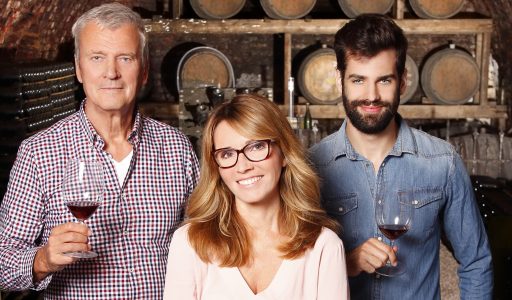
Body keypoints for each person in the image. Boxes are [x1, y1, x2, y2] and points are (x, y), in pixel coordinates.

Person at [0, 3, 199, 299]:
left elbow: (207, 239)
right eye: (97, 58)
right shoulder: (39, 152)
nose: (111, 73)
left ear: (143, 70)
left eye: (125, 58)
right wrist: (43, 259)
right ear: (79, 69)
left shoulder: (175, 147)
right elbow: (3, 264)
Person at [310, 14, 493, 299]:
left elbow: (476, 261)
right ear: (339, 80)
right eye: (358, 80)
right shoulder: (310, 167)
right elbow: (288, 269)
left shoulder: (442, 162)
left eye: (384, 80)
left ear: (403, 81)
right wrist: (344, 263)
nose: (371, 96)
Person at [163, 94, 349, 299]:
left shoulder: (325, 247)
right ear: (216, 166)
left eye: (257, 146)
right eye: (227, 154)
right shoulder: (189, 243)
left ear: (285, 153)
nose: (243, 167)